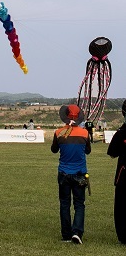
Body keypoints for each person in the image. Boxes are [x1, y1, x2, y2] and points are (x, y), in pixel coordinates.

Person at [51, 104, 91, 244]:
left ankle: (66, 234)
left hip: (64, 173)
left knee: (64, 204)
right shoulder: (85, 133)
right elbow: (88, 151)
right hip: (80, 172)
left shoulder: (58, 133)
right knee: (79, 204)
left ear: (65, 117)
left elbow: (54, 150)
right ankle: (77, 232)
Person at [107, 99, 126, 244]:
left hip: (123, 176)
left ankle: (123, 236)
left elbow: (112, 152)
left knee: (121, 207)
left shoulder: (121, 133)